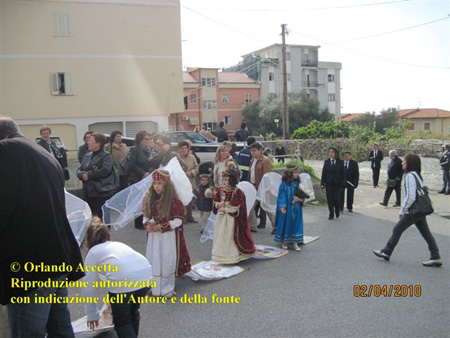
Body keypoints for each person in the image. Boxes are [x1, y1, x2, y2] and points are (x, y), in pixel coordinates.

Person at [0, 116, 84, 336]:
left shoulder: (6, 150)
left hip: (29, 263)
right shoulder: (42, 152)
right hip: (56, 255)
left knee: (26, 330)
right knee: (59, 326)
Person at [83, 217, 152, 338]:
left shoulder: (93, 252)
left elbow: (88, 286)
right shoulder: (117, 244)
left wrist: (92, 314)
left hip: (124, 282)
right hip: (145, 276)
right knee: (133, 313)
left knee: (122, 322)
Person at [373, 153, 442, 267]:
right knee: (426, 233)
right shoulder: (417, 175)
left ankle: (386, 251)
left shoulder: (410, 176)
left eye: (404, 161)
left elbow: (410, 196)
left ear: (409, 163)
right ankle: (435, 256)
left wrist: (402, 210)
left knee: (397, 229)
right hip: (419, 210)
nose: (402, 163)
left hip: (413, 210)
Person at [142, 170, 191, 297]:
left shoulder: (174, 202)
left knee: (166, 258)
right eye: (154, 183)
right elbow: (146, 215)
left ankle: (166, 287)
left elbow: (178, 221)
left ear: (167, 185)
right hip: (154, 237)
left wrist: (161, 226)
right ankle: (154, 286)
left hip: (167, 237)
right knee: (154, 257)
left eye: (160, 183)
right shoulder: (150, 199)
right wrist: (147, 224)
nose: (156, 186)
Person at [207, 167, 255, 263]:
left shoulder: (238, 192)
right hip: (221, 217)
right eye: (223, 179)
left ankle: (231, 256)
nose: (224, 182)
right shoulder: (220, 190)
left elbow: (237, 205)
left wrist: (225, 207)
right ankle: (220, 255)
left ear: (232, 180)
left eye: (226, 180)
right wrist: (218, 204)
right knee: (221, 234)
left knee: (230, 235)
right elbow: (215, 200)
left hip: (231, 218)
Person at [77, 133, 117, 219]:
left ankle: (104, 232)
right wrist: (82, 174)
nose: (88, 142)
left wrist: (89, 175)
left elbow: (105, 170)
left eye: (91, 140)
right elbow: (79, 169)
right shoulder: (87, 155)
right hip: (88, 191)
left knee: (102, 218)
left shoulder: (106, 156)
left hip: (100, 192)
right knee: (90, 218)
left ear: (98, 143)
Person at [274, 165, 304, 251]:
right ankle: (285, 241)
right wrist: (282, 206)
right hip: (288, 208)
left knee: (296, 223)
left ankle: (295, 242)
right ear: (290, 174)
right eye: (295, 172)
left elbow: (303, 193)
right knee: (286, 223)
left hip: (296, 207)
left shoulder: (298, 183)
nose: (297, 174)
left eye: (297, 172)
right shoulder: (283, 184)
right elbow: (281, 195)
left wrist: (300, 198)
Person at [248, 142, 272, 232]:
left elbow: (267, 175)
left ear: (260, 151)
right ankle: (253, 226)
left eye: (254, 150)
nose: (252, 152)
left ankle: (274, 225)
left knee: (265, 206)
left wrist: (266, 188)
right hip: (253, 186)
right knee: (252, 206)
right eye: (251, 151)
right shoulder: (252, 160)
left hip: (261, 186)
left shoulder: (265, 161)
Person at [321, 147, 346, 220]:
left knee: (336, 198)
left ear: (335, 153)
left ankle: (337, 210)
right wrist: (322, 182)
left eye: (332, 152)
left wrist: (343, 183)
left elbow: (343, 174)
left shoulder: (340, 162)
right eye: (329, 152)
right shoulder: (326, 162)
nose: (330, 153)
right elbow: (324, 173)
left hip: (337, 183)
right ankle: (331, 213)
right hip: (328, 183)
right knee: (329, 199)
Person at [178, 140, 199, 223]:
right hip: (181, 183)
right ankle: (183, 216)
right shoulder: (176, 158)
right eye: (182, 148)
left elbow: (197, 167)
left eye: (185, 148)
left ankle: (190, 216)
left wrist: (192, 173)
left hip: (191, 182)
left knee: (191, 200)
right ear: (179, 149)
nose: (184, 150)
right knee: (182, 200)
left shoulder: (192, 157)